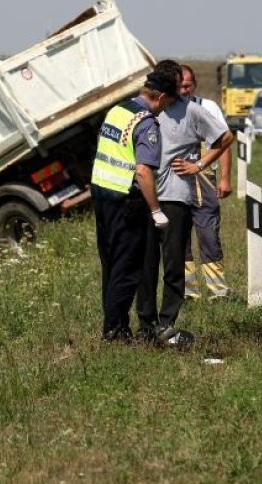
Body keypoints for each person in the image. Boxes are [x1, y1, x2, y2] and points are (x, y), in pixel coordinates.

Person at [135, 60, 232, 344]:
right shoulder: (148, 109)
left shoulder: (192, 111)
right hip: (147, 195)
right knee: (146, 264)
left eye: (182, 83)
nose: (180, 88)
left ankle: (167, 323)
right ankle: (146, 323)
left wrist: (199, 165)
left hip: (176, 197)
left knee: (175, 263)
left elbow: (225, 138)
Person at [92, 70, 177, 342]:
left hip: (102, 195)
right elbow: (143, 172)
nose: (167, 108)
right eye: (168, 102)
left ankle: (113, 325)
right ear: (161, 96)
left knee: (110, 264)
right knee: (127, 270)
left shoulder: (118, 110)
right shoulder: (146, 123)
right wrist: (155, 210)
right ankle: (115, 332)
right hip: (126, 203)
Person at [176, 64, 234, 301]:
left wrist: (226, 178)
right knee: (180, 240)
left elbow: (224, 143)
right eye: (179, 86)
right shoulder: (168, 109)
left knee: (208, 236)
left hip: (205, 182)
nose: (183, 90)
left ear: (195, 85)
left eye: (187, 85)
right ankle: (188, 292)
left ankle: (217, 292)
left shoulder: (208, 107)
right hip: (176, 183)